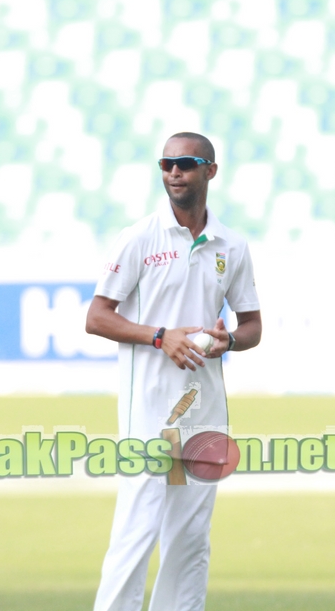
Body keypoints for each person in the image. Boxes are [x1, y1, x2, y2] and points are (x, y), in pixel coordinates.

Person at [85, 132, 262, 611]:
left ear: (210, 170)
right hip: (148, 407)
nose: (174, 172)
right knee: (137, 528)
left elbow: (252, 328)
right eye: (166, 164)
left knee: (190, 538)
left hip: (203, 410)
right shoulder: (140, 237)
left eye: (185, 163)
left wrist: (229, 340)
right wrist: (162, 337)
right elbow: (96, 318)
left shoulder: (232, 245)